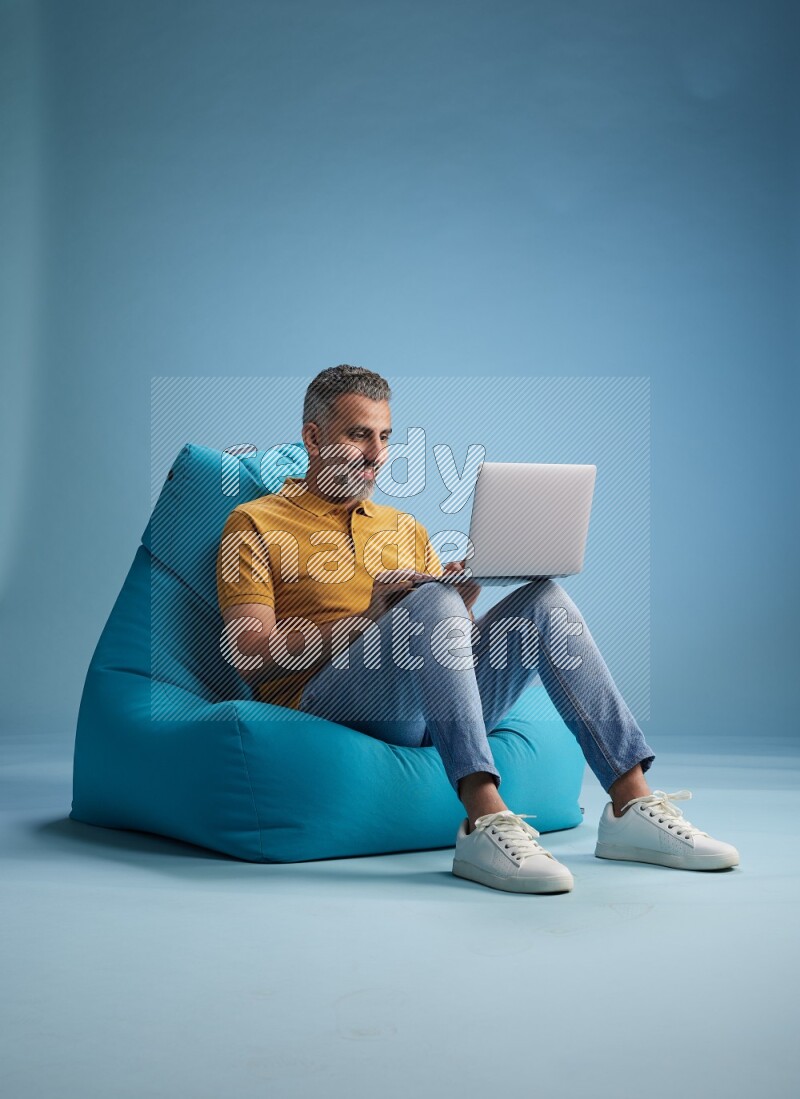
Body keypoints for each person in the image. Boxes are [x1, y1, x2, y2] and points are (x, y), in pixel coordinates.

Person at [216, 364, 740, 894]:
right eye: (358, 435)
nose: (376, 455)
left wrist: (462, 608)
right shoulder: (256, 522)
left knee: (544, 601)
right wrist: (369, 620)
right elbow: (248, 655)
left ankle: (631, 804)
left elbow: (447, 654)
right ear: (313, 436)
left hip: (422, 711)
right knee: (431, 601)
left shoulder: (404, 528)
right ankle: (483, 819)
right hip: (329, 704)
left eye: (384, 437)